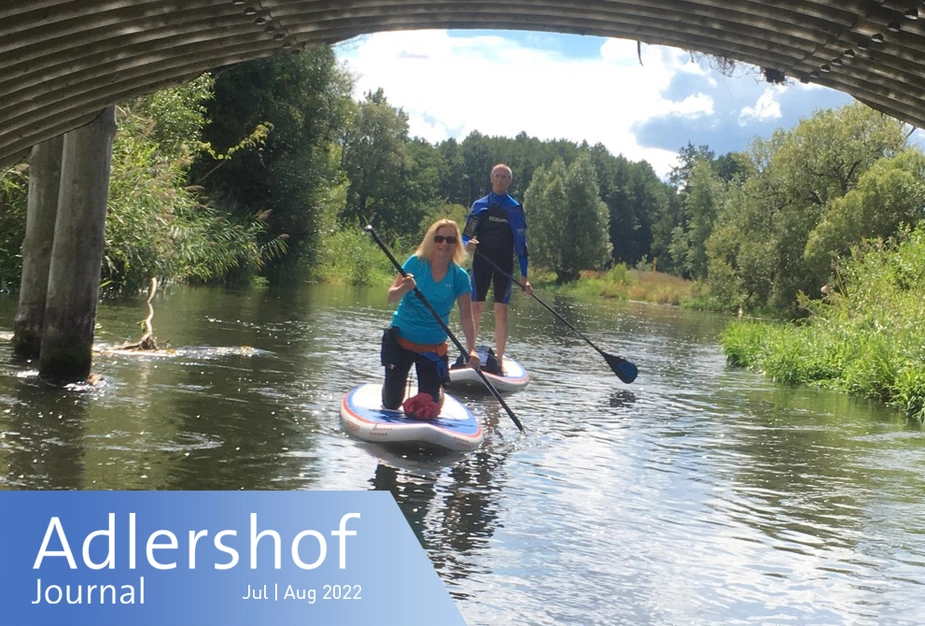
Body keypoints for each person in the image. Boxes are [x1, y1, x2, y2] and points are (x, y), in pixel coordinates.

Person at [381, 219, 481, 411]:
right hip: (402, 341)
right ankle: (392, 388)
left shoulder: (459, 276)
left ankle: (437, 392)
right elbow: (391, 297)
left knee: (428, 408)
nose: (444, 244)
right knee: (392, 404)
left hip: (433, 348)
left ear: (456, 244)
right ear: (432, 240)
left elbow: (466, 316)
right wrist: (404, 287)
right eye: (439, 238)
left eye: (450, 240)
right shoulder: (415, 263)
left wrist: (472, 349)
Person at [462, 163, 533, 372]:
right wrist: (467, 243)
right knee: (475, 307)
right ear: (491, 178)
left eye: (505, 177)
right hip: (481, 261)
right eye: (497, 176)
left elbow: (522, 245)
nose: (501, 179)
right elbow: (466, 234)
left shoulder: (514, 208)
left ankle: (499, 359)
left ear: (509, 181)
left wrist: (525, 277)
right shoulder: (479, 205)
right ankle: (471, 352)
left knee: (501, 311)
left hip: (504, 264)